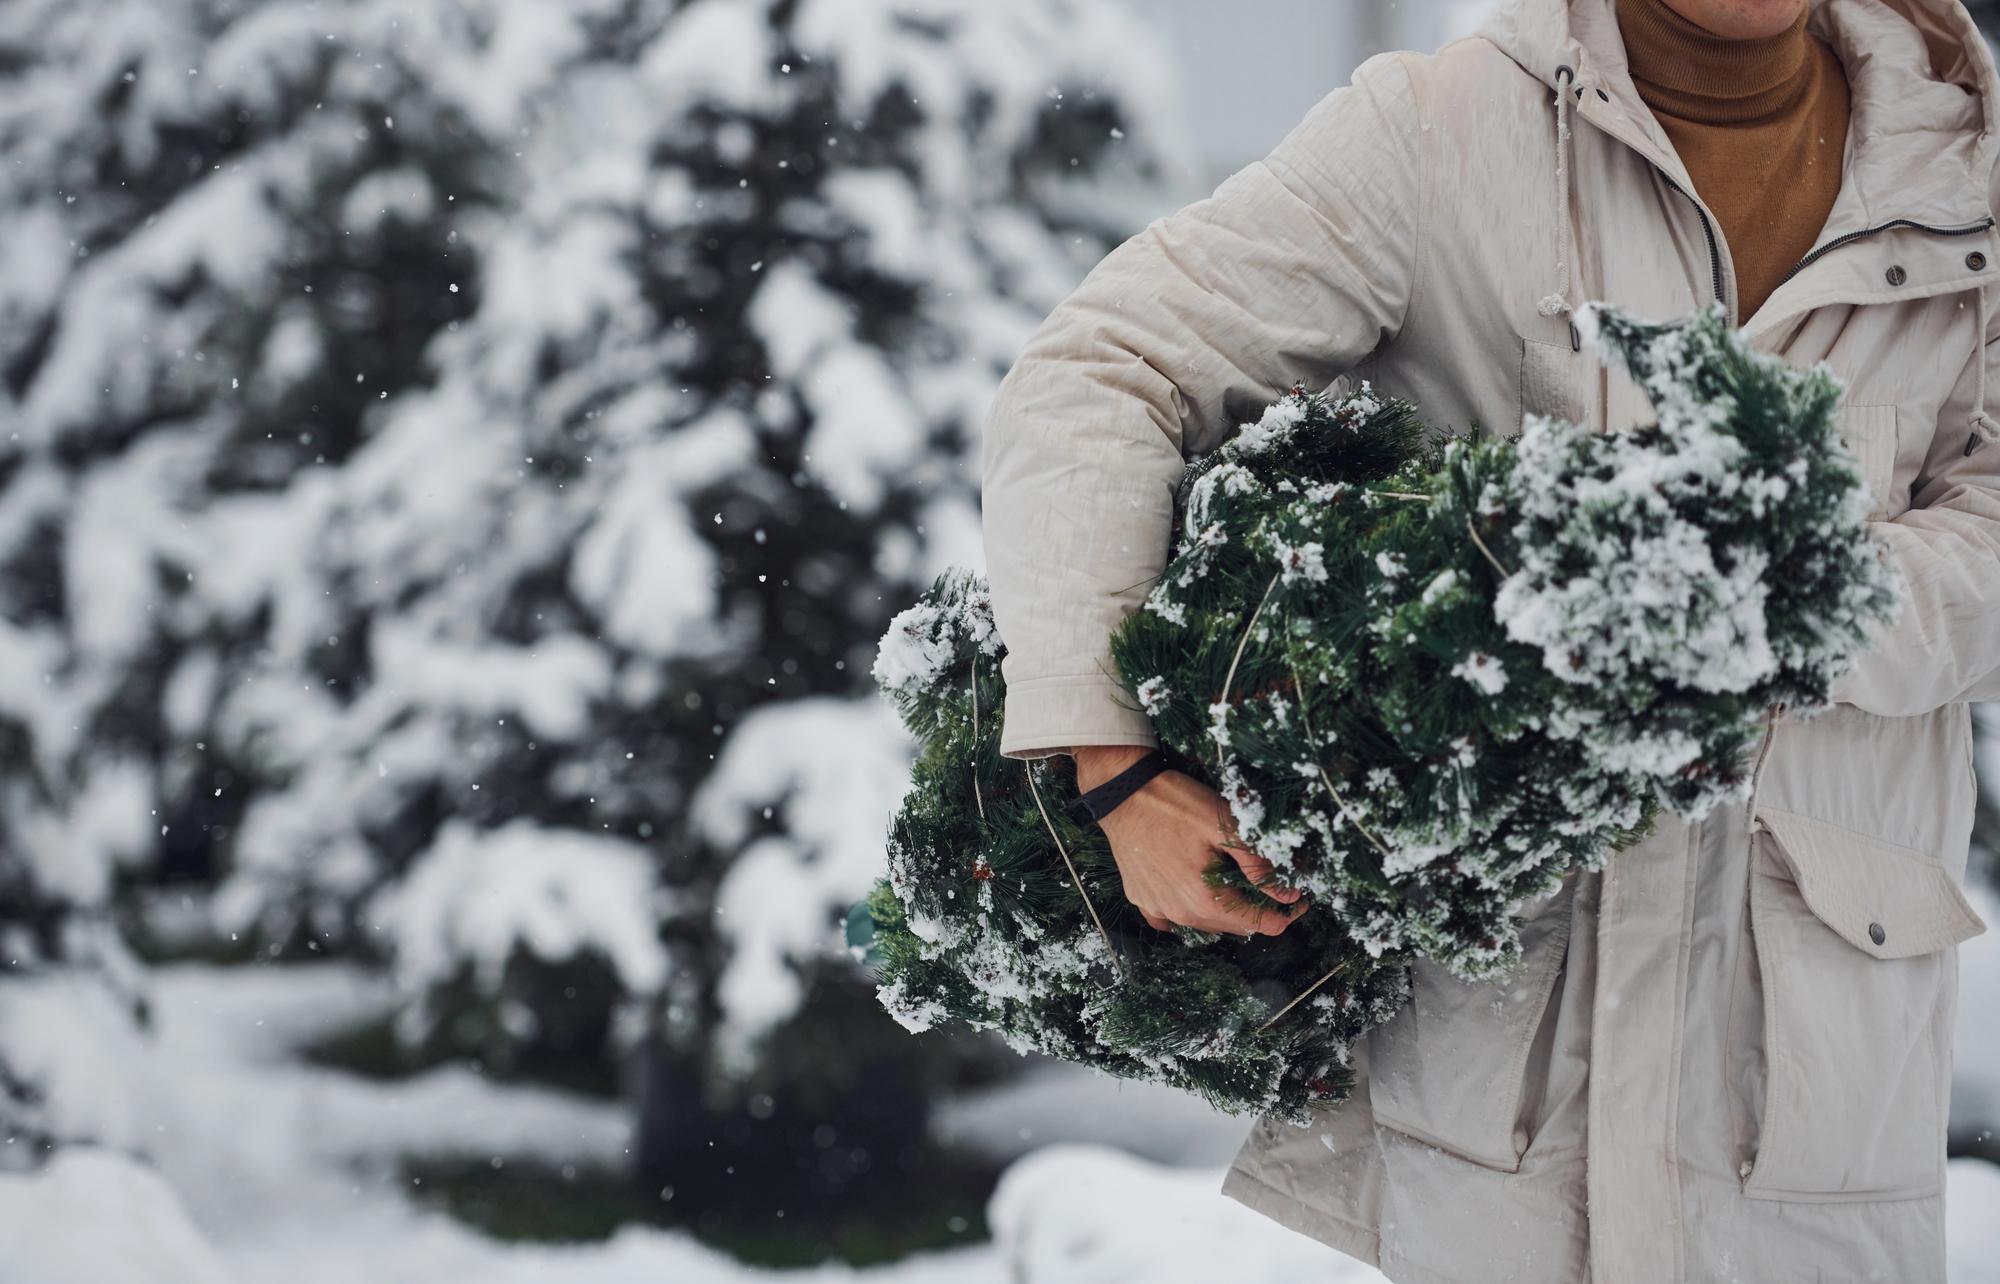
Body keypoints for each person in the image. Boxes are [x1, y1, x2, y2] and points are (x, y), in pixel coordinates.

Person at [978, 0, 2000, 1279]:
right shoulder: (1442, 131)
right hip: (1487, 1098)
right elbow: (1104, 366)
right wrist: (1106, 752)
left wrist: (1759, 594)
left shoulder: (1969, 173)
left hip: (1812, 1107)